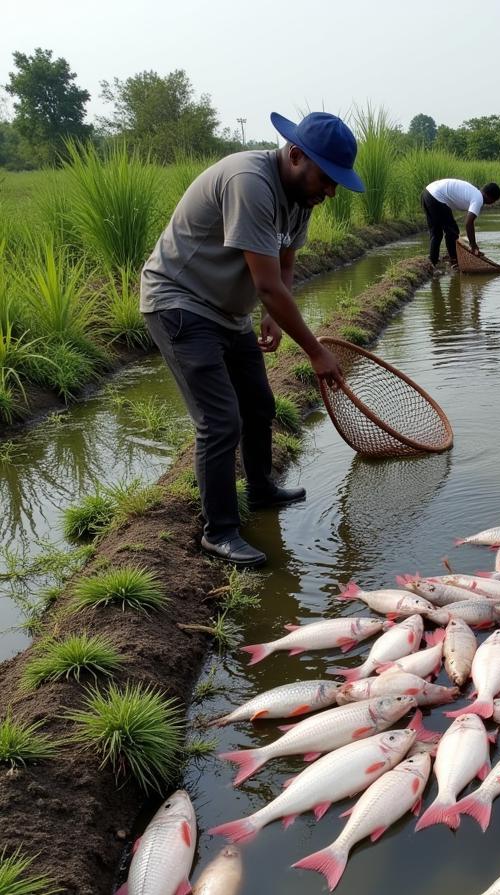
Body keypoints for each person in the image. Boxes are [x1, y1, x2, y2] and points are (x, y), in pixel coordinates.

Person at [140, 111, 364, 567]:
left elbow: (282, 266)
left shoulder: (301, 197)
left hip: (227, 311)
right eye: (327, 178)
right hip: (180, 302)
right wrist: (316, 351)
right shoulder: (250, 181)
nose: (330, 190)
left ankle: (260, 488)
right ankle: (218, 531)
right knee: (220, 421)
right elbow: (265, 283)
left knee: (259, 404)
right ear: (296, 155)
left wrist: (271, 314)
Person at [421, 179, 500, 266]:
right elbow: (469, 223)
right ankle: (455, 261)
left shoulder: (474, 192)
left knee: (436, 233)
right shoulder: (479, 198)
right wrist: (473, 245)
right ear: (490, 197)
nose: (492, 203)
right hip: (436, 196)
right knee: (452, 232)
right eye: (494, 201)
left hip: (427, 193)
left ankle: (433, 261)